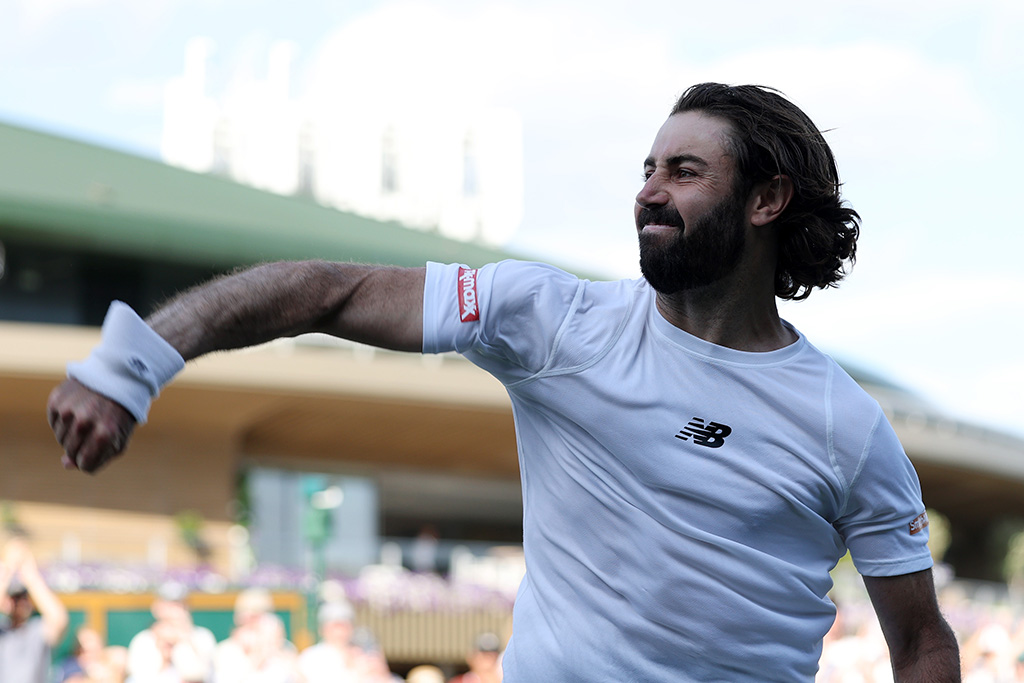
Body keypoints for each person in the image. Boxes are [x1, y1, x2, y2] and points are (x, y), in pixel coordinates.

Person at [47, 83, 960, 681]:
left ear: (766, 200)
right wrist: (132, 364)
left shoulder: (846, 425)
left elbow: (921, 642)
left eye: (685, 171)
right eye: (647, 169)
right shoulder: (554, 319)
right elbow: (330, 290)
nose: (649, 191)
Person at [0, 535, 70, 683]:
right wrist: (8, 568)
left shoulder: (36, 630)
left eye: (24, 597)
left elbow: (59, 619)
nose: (20, 602)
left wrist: (31, 576)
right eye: (14, 597)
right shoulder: (2, 630)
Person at [125, 584, 216, 683]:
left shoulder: (202, 636)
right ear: (156, 608)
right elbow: (141, 678)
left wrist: (185, 638)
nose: (173, 610)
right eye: (168, 605)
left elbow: (199, 674)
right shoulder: (143, 640)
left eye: (178, 605)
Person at [296, 601, 361, 683]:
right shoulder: (310, 657)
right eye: (335, 627)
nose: (340, 632)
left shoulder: (360, 655)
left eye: (345, 626)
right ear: (322, 629)